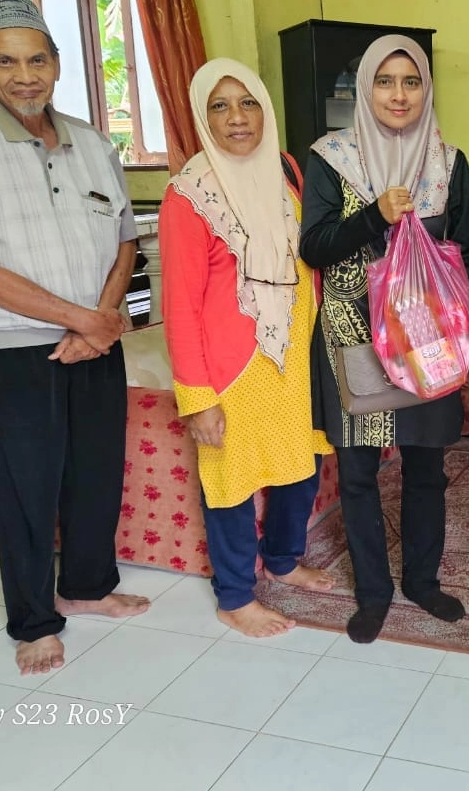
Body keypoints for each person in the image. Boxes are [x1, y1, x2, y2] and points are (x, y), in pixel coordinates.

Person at [0, 0, 150, 676]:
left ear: (57, 63)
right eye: (6, 62)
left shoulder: (93, 144)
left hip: (95, 341)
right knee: (25, 488)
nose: (24, 76)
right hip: (14, 348)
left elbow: (125, 241)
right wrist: (84, 320)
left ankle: (88, 586)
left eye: (37, 60)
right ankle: (35, 621)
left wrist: (100, 321)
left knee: (96, 471)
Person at [300, 34, 469, 644]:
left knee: (427, 467)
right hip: (353, 334)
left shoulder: (448, 163)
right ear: (364, 88)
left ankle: (422, 581)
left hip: (427, 340)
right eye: (385, 81)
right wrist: (374, 214)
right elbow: (314, 246)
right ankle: (373, 592)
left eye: (411, 82)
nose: (399, 95)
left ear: (427, 89)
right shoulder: (331, 158)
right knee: (358, 472)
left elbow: (465, 249)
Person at [159, 58, 335, 638]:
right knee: (231, 483)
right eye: (220, 106)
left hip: (294, 359)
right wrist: (197, 397)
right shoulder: (188, 197)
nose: (237, 118)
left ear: (265, 109)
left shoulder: (285, 171)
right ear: (202, 117)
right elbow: (180, 305)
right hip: (231, 371)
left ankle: (282, 559)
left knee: (299, 468)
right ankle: (234, 597)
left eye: (248, 103)